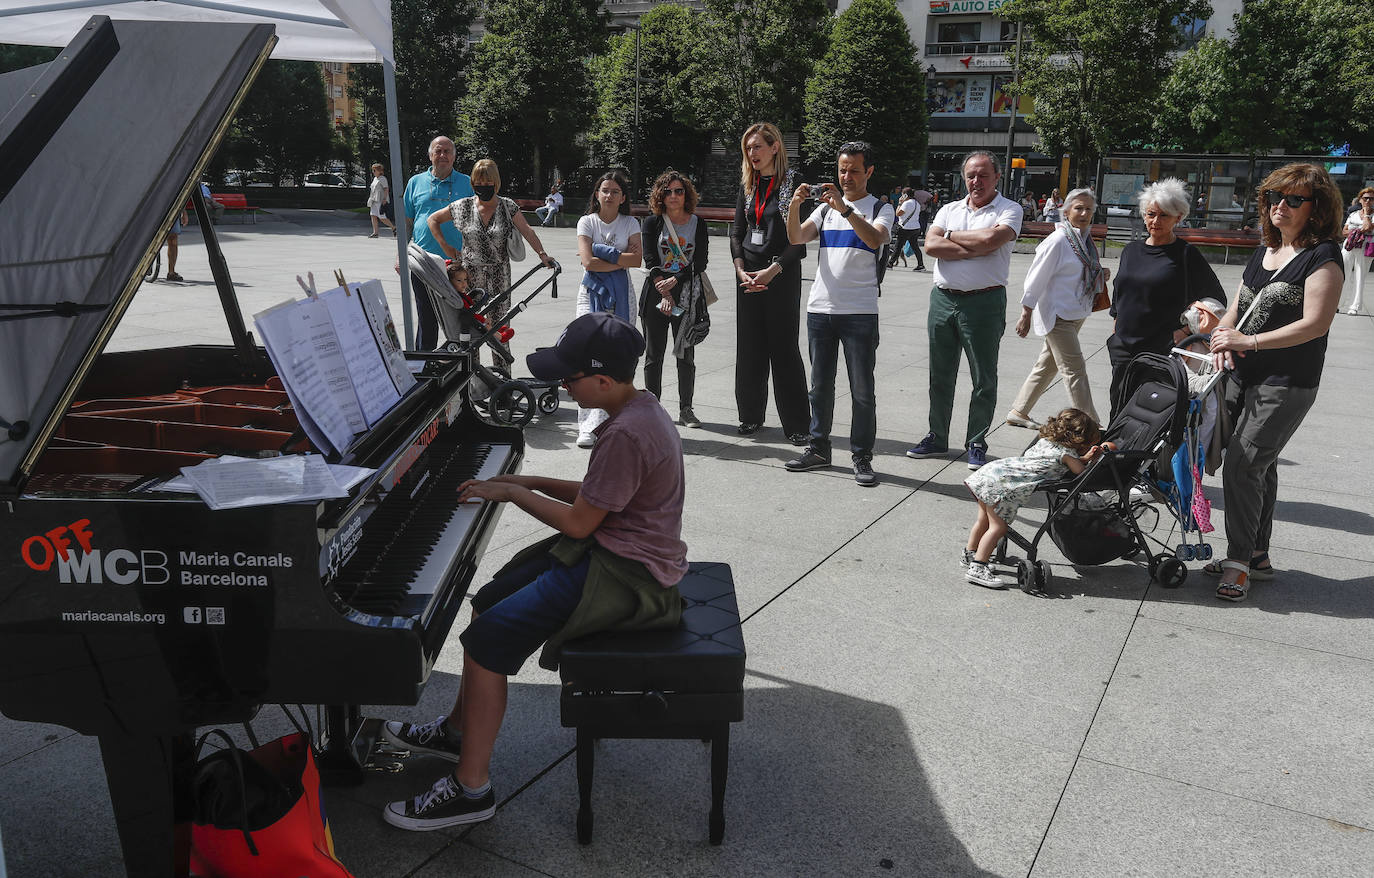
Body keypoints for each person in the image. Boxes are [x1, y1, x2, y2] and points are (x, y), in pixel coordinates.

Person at [380, 312, 687, 831]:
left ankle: (471, 788)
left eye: (570, 377)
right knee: (488, 601)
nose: (562, 384)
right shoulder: (638, 409)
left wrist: (517, 491)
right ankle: (458, 730)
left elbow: (579, 522)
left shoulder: (627, 434)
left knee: (484, 641)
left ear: (603, 380)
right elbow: (600, 498)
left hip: (628, 573)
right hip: (615, 547)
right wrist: (534, 480)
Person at [1205, 164, 1344, 601]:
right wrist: (1222, 337)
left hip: (1288, 380)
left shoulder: (1323, 256)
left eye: (1292, 200)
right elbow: (1238, 306)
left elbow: (1315, 325)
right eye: (1272, 198)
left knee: (1244, 465)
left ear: (1316, 207)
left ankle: (1239, 562)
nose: (1279, 206)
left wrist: (1250, 340)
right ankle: (1258, 556)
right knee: (1260, 466)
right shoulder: (1266, 249)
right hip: (1241, 375)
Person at [784, 140, 894, 487]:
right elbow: (797, 237)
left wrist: (846, 209)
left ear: (869, 172)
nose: (846, 176)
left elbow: (875, 239)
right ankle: (818, 448)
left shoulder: (880, 207)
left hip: (860, 311)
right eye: (842, 169)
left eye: (854, 170)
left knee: (862, 389)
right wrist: (795, 205)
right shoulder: (826, 208)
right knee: (820, 387)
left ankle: (861, 455)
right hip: (821, 308)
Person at [909, 150, 1023, 470]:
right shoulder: (948, 209)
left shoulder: (1009, 209)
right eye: (971, 175)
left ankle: (976, 440)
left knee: (983, 377)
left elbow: (991, 240)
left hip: (984, 302)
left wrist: (951, 239)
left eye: (984, 175)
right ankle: (937, 435)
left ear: (997, 177)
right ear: (964, 177)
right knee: (940, 374)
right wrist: (971, 245)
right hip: (943, 299)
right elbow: (930, 246)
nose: (977, 181)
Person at [1106, 178, 1225, 421]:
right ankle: (1114, 455)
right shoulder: (1131, 250)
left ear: (1178, 217)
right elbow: (1121, 289)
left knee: (1148, 413)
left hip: (1161, 348)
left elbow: (1216, 298)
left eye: (1164, 215)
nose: (1155, 221)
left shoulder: (1185, 254)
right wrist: (1117, 318)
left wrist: (1184, 331)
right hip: (1124, 347)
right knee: (1118, 408)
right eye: (1151, 214)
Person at [730, 121, 810, 445]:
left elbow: (799, 241)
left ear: (774, 147)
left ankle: (797, 425)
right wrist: (740, 269)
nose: (752, 154)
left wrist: (772, 271)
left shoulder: (793, 183)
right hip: (748, 275)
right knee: (749, 348)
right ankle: (750, 416)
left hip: (780, 275)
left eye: (757, 147)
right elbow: (737, 232)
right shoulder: (748, 185)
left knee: (784, 349)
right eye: (748, 148)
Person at [426, 158, 552, 361]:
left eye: (487, 183)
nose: (482, 187)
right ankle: (472, 381)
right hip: (469, 280)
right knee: (470, 331)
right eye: (478, 183)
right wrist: (445, 246)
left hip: (499, 276)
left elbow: (527, 231)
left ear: (496, 183)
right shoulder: (463, 206)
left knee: (499, 331)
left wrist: (543, 255)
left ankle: (502, 383)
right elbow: (432, 219)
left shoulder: (507, 207)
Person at [962, 408, 1102, 588]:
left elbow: (1061, 460)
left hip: (991, 474)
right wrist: (1093, 460)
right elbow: (1081, 474)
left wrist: (1082, 458)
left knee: (983, 521)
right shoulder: (1068, 455)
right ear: (1079, 439)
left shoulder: (1045, 441)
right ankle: (978, 568)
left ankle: (970, 554)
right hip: (1005, 487)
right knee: (998, 527)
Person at [1006, 187, 1108, 427]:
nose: (1084, 213)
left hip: (1077, 312)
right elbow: (1036, 278)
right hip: (1058, 314)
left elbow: (1078, 271)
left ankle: (1019, 411)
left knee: (1047, 365)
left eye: (1089, 209)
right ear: (1066, 210)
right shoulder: (1060, 240)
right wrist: (1026, 313)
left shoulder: (1084, 240)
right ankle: (1091, 424)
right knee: (1075, 369)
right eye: (1078, 208)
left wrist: (1100, 273)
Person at [575, 172, 642, 447]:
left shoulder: (630, 222)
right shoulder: (586, 221)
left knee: (617, 356)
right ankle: (588, 424)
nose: (609, 195)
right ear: (597, 194)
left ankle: (615, 420)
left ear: (623, 197)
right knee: (587, 354)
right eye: (605, 190)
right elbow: (588, 263)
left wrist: (605, 254)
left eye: (615, 191)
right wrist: (618, 259)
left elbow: (637, 260)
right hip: (589, 293)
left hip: (622, 295)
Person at [638, 170, 709, 428]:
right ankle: (652, 409)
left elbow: (700, 261)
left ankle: (686, 409)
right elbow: (650, 260)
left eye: (679, 191)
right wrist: (663, 290)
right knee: (653, 354)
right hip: (656, 294)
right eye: (668, 191)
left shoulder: (697, 224)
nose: (674, 196)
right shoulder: (652, 223)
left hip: (685, 295)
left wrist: (675, 281)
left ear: (686, 194)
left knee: (685, 354)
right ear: (660, 195)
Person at [404, 136, 474, 350]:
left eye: (447, 151)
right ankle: (423, 364)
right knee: (426, 316)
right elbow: (407, 221)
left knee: (460, 316)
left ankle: (460, 363)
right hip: (423, 262)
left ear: (454, 156)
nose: (442, 155)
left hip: (457, 264)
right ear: (430, 155)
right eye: (438, 151)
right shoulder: (415, 182)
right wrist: (401, 253)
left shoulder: (466, 183)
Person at [1340, 187, 1373, 315]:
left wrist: (1366, 214)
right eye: (1365, 198)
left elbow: (1368, 227)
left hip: (1365, 249)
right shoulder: (1353, 214)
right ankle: (1338, 303)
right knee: (1343, 275)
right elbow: (1344, 232)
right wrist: (1358, 230)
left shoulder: (1372, 215)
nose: (1368, 201)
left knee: (1360, 278)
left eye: (1371, 199)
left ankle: (1354, 306)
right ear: (1360, 199)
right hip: (1349, 247)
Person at [889, 187, 926, 272]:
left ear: (905, 195)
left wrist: (899, 203)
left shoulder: (906, 203)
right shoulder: (917, 203)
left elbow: (898, 214)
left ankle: (890, 263)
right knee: (915, 247)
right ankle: (921, 265)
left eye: (902, 194)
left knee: (898, 246)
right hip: (916, 227)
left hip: (905, 228)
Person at [367, 163, 396, 238]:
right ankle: (375, 233)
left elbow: (386, 189)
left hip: (380, 200)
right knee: (373, 215)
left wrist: (384, 199)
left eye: (374, 170)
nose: (373, 172)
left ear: (379, 171)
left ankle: (393, 227)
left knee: (382, 217)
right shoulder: (375, 179)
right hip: (374, 199)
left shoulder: (382, 178)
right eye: (372, 170)